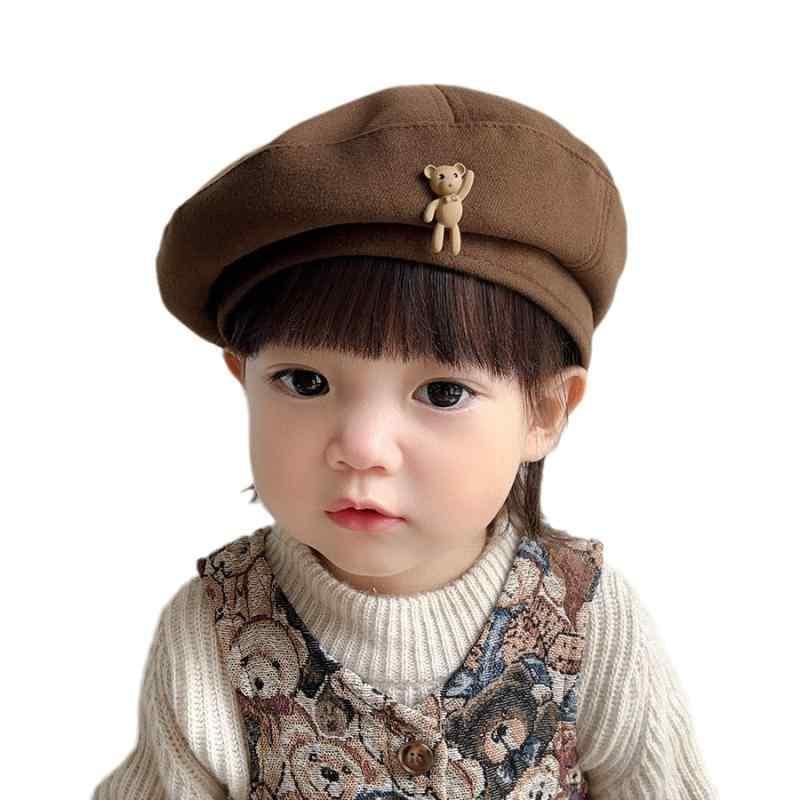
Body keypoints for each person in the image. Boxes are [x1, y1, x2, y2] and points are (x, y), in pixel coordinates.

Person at [93, 84, 718, 799]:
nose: (362, 448)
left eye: (443, 393)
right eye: (304, 381)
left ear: (544, 411)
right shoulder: (212, 634)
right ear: (243, 379)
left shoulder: (589, 620)